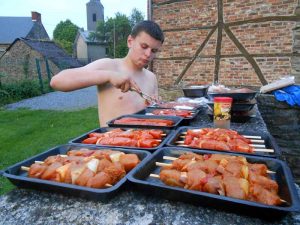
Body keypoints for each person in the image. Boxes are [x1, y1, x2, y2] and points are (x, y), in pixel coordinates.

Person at [50, 20, 164, 127]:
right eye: (144, 46)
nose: (148, 54)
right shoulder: (108, 66)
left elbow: (152, 115)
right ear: (130, 41)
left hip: (146, 144)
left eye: (154, 51)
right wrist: (109, 76)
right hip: (112, 145)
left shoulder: (151, 77)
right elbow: (57, 81)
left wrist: (156, 108)